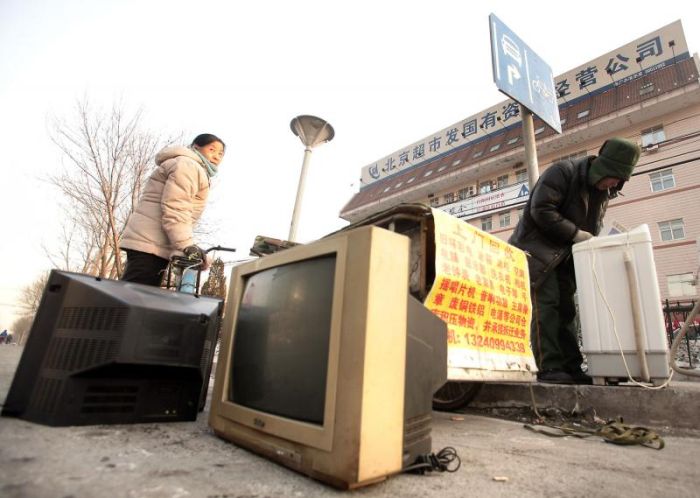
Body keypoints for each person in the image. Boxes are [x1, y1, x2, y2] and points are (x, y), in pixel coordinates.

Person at [508, 137, 641, 384]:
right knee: (546, 307)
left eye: (619, 181)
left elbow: (593, 227)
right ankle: (548, 367)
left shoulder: (603, 191)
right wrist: (575, 234)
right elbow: (541, 210)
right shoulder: (562, 172)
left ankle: (571, 367)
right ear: (603, 168)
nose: (614, 184)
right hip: (536, 251)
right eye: (613, 177)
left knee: (568, 311)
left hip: (566, 257)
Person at [120, 133, 226, 286]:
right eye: (212, 149)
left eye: (220, 154)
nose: (216, 156)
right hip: (150, 242)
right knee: (133, 300)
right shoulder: (188, 165)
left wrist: (181, 248)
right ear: (196, 147)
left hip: (154, 242)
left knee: (135, 298)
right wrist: (186, 245)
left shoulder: (194, 169)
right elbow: (176, 206)